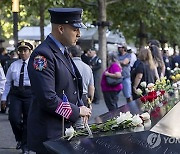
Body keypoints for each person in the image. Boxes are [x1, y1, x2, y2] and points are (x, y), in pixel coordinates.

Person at [27, 8, 91, 154]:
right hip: (50, 134)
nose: (79, 34)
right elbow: (47, 99)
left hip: (62, 130)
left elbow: (70, 87)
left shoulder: (61, 51)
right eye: (75, 29)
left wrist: (81, 105)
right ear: (61, 29)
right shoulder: (42, 55)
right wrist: (77, 111)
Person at [1, 41, 33, 154]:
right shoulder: (13, 65)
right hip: (16, 95)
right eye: (20, 51)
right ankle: (19, 138)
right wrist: (4, 98)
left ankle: (25, 145)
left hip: (30, 94)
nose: (23, 53)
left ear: (30, 52)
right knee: (13, 118)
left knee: (28, 120)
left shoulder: (34, 64)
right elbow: (8, 82)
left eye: (25, 51)